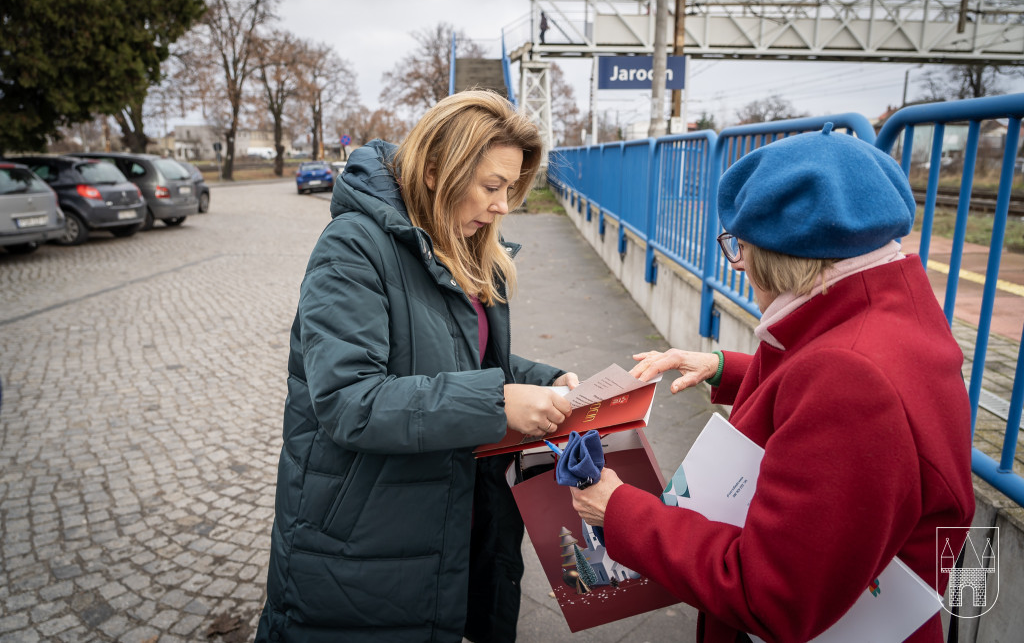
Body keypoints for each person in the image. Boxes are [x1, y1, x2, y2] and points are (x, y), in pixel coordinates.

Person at [570, 124, 976, 642]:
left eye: (739, 248)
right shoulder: (888, 308)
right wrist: (724, 368)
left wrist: (619, 512)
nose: (738, 264)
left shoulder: (852, 383)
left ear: (775, 257)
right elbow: (828, 393)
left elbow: (771, 595)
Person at [255, 90, 579, 643]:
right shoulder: (353, 247)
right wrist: (498, 402)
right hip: (361, 539)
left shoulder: (462, 244)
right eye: (492, 187)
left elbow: (464, 357)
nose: (503, 206)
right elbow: (349, 401)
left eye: (510, 189)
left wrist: (541, 380)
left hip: (445, 515)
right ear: (435, 172)